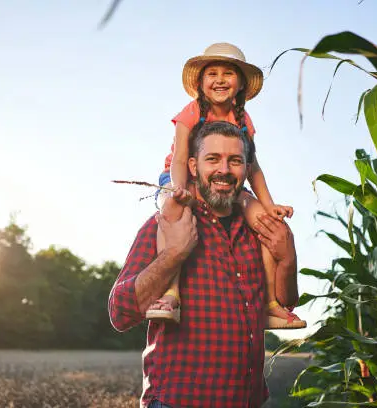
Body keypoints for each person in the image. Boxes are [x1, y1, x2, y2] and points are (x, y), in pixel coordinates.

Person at [108, 121, 300, 408]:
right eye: (213, 159)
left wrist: (288, 259)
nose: (224, 169)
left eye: (234, 161)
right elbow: (120, 312)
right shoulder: (167, 225)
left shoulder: (259, 231)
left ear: (247, 170)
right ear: (194, 167)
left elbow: (286, 303)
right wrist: (173, 254)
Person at [147, 42, 305, 329]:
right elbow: (181, 159)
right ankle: (171, 294)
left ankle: (270, 304)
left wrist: (271, 206)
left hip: (229, 182)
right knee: (173, 214)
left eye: (229, 73)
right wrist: (178, 190)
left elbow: (253, 167)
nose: (220, 80)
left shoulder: (244, 120)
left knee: (267, 223)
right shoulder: (191, 112)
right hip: (181, 175)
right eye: (213, 74)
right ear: (200, 82)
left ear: (241, 83)